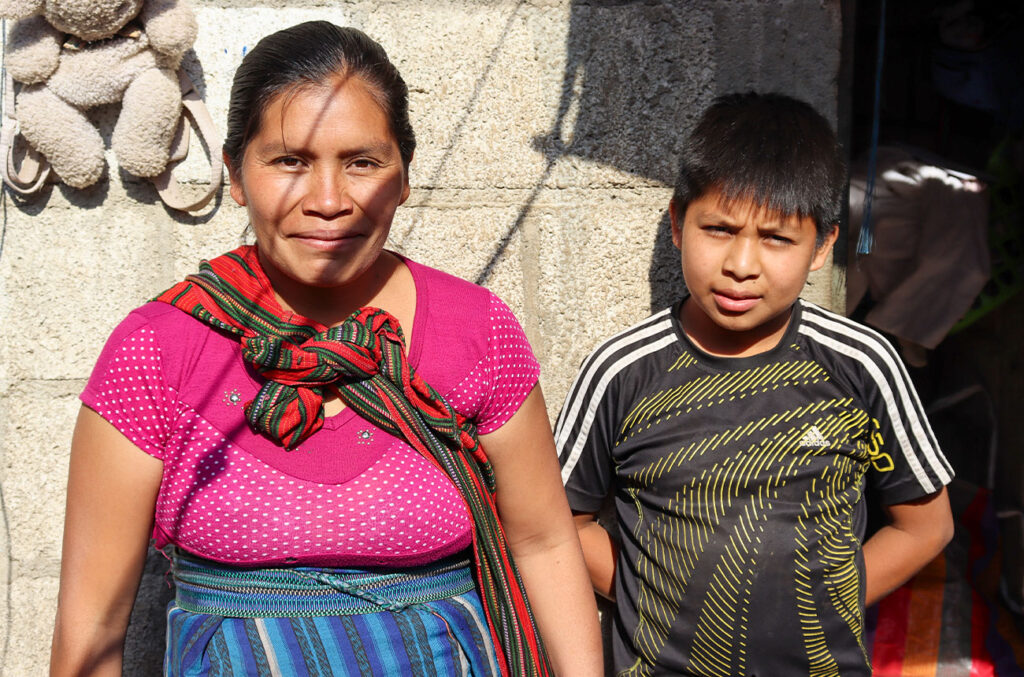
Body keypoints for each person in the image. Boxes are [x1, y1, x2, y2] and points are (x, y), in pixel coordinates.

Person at [50, 21, 601, 677]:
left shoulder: (476, 331)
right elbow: (92, 633)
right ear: (235, 174)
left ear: (403, 176)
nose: (329, 201)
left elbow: (542, 540)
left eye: (362, 162)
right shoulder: (158, 352)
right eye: (290, 162)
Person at [556, 92, 955, 676]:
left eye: (776, 239)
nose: (742, 264)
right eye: (718, 228)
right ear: (676, 223)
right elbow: (563, 523)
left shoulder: (860, 364)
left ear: (822, 247)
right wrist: (654, 599)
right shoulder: (623, 371)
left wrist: (824, 604)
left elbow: (926, 525)